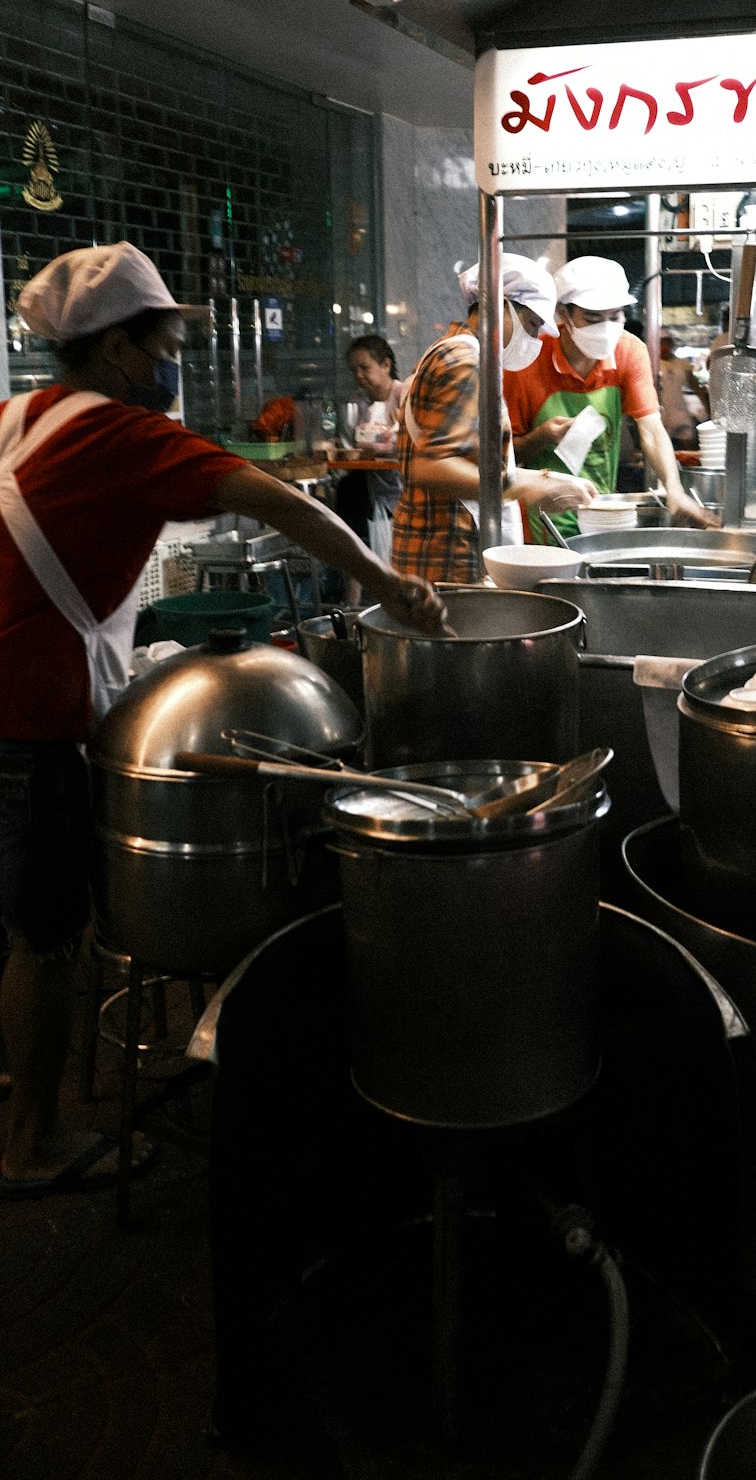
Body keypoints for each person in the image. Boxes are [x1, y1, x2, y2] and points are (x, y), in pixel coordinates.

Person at [0, 241, 446, 1198]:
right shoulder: (126, 434)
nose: (175, 364)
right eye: (165, 343)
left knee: (8, 925)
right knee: (44, 937)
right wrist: (389, 584)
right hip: (25, 718)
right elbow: (279, 501)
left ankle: (14, 1090)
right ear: (118, 350)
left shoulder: (19, 417)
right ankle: (28, 1142)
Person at [391, 254, 597, 584]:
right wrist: (532, 485)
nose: (532, 340)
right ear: (500, 305)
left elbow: (466, 457)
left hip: (443, 551)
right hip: (445, 558)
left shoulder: (457, 352)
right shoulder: (463, 358)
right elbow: (431, 467)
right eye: (531, 325)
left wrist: (542, 480)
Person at [504, 255, 718, 541]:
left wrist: (674, 489)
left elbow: (651, 429)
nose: (605, 328)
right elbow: (504, 459)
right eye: (592, 318)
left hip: (598, 510)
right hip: (535, 519)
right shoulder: (527, 359)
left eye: (615, 316)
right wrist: (540, 437)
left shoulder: (629, 351)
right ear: (562, 315)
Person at [332, 333, 405, 599]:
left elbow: (410, 437)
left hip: (400, 486)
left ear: (386, 365)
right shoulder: (359, 402)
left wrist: (384, 444)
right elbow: (352, 439)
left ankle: (396, 597)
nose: (359, 375)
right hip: (368, 482)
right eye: (354, 370)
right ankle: (351, 600)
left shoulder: (403, 394)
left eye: (365, 367)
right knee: (347, 492)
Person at [658, 331, 708, 449]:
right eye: (661, 343)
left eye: (666, 343)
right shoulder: (653, 363)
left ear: (672, 344)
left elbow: (695, 386)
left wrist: (705, 406)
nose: (664, 347)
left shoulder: (682, 362)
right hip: (660, 413)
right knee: (662, 448)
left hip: (680, 412)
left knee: (688, 447)